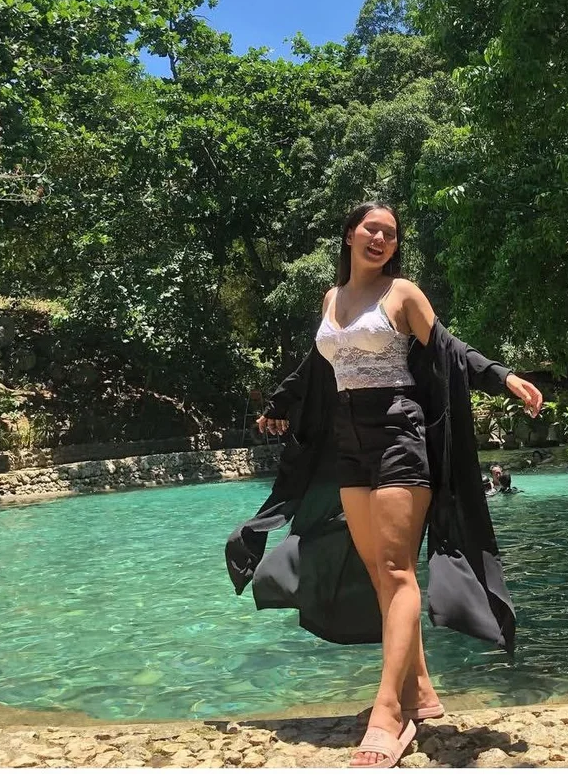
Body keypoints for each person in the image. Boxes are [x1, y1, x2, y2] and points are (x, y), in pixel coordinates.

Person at [225, 202, 543, 768]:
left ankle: (389, 711)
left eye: (391, 234)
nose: (381, 239)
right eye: (372, 229)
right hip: (348, 443)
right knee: (378, 572)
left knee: (397, 571)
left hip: (399, 433)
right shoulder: (332, 298)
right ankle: (421, 690)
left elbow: (449, 350)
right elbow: (319, 365)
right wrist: (280, 403)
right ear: (349, 234)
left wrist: (503, 376)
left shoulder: (403, 294)